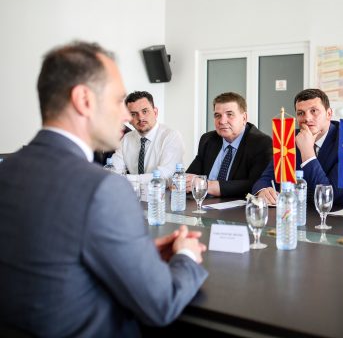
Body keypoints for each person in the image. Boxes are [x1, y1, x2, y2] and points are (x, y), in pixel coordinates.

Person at [0, 41, 207, 336]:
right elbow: (161, 303)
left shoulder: (6, 171)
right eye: (118, 101)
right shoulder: (102, 189)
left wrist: (135, 253)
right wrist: (186, 256)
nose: (127, 116)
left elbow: (49, 257)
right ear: (84, 100)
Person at [251, 88, 343, 209]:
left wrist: (307, 152)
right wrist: (263, 191)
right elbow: (266, 178)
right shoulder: (289, 138)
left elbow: (335, 197)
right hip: (303, 214)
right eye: (301, 113)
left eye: (314, 111)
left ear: (329, 114)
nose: (307, 118)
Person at [186, 92, 271, 198]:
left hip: (239, 207)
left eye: (229, 114)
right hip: (202, 204)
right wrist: (182, 182)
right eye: (218, 115)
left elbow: (255, 185)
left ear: (244, 118)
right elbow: (191, 175)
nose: (222, 121)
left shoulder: (260, 143)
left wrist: (208, 186)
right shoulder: (208, 139)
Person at [111, 91, 184, 184]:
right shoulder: (126, 139)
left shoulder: (171, 136)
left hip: (160, 192)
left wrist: (129, 179)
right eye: (133, 114)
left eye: (145, 111)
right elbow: (113, 171)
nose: (140, 118)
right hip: (133, 192)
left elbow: (165, 176)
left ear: (155, 112)